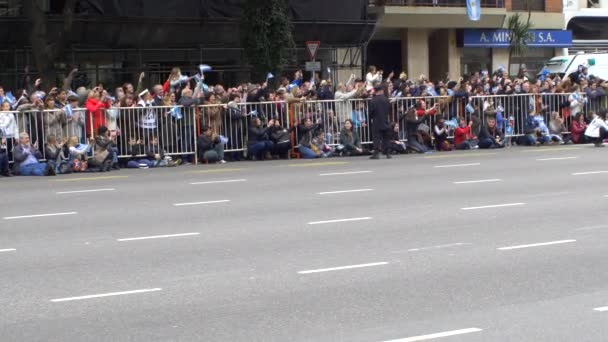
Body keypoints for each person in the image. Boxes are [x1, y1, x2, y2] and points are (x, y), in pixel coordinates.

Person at [369, 84, 391, 159]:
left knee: (376, 137)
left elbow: (371, 112)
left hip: (376, 121)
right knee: (386, 137)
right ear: (381, 91)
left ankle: (376, 153)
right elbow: (389, 110)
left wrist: (371, 117)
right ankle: (387, 153)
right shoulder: (386, 99)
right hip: (385, 120)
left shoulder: (373, 100)